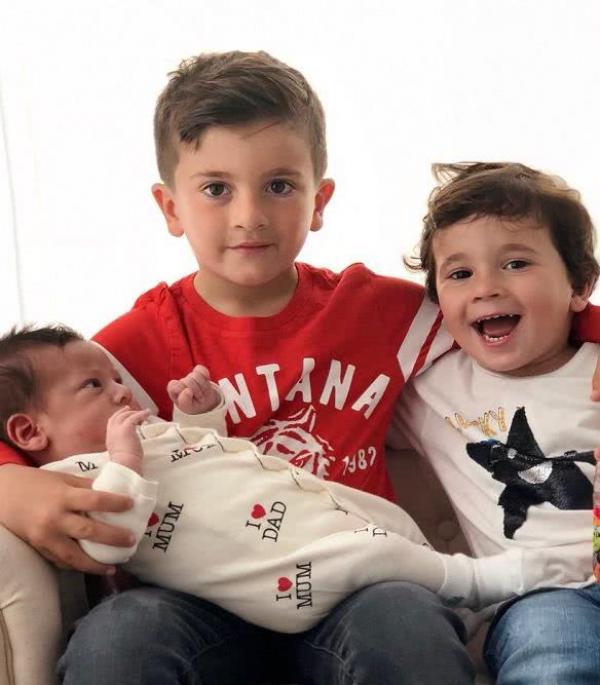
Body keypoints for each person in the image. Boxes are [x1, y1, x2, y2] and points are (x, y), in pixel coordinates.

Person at [0, 52, 599, 683]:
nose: (249, 215)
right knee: (119, 635)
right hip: (195, 602)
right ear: (170, 207)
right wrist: (8, 480)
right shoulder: (129, 348)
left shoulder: (382, 314)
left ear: (319, 199)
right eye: (216, 189)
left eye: (280, 185)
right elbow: (27, 407)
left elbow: (513, 311)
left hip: (358, 590)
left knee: (407, 624)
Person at [2, 325, 573, 636]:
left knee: (384, 529)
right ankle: (475, 581)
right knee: (367, 553)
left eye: (114, 378)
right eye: (94, 387)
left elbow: (198, 464)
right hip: (284, 584)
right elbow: (105, 541)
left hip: (290, 532)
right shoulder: (71, 477)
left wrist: (198, 416)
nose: (122, 390)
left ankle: (460, 609)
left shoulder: (141, 435)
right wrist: (124, 462)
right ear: (29, 431)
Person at [394, 161, 600, 683]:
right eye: (460, 274)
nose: (486, 287)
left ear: (579, 284)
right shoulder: (430, 391)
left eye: (515, 263)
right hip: (542, 597)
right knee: (554, 662)